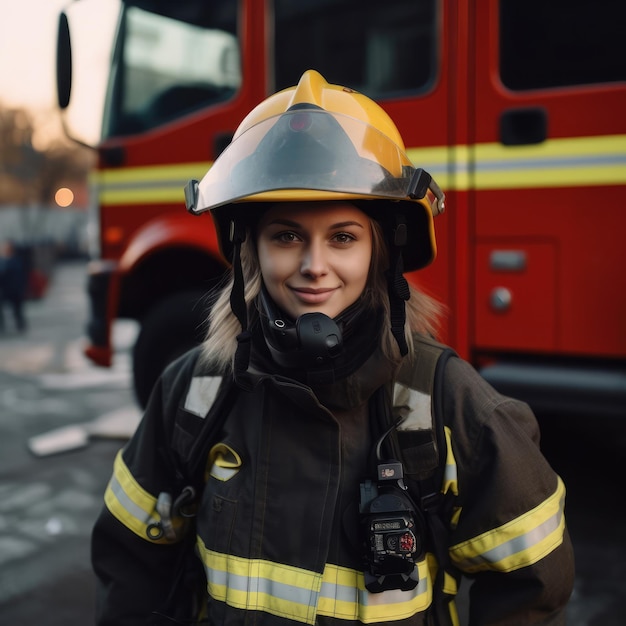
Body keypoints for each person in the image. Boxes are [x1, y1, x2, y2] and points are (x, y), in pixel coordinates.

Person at [92, 70, 574, 625]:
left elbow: (531, 592)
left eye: (343, 237)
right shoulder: (193, 394)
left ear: (382, 252)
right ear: (250, 249)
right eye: (286, 235)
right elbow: (131, 571)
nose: (313, 265)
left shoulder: (451, 406)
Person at [0, 239, 28, 333]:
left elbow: (20, 276)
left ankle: (21, 326)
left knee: (18, 311)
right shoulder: (2, 261)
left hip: (15, 290)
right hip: (5, 290)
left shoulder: (16, 261)